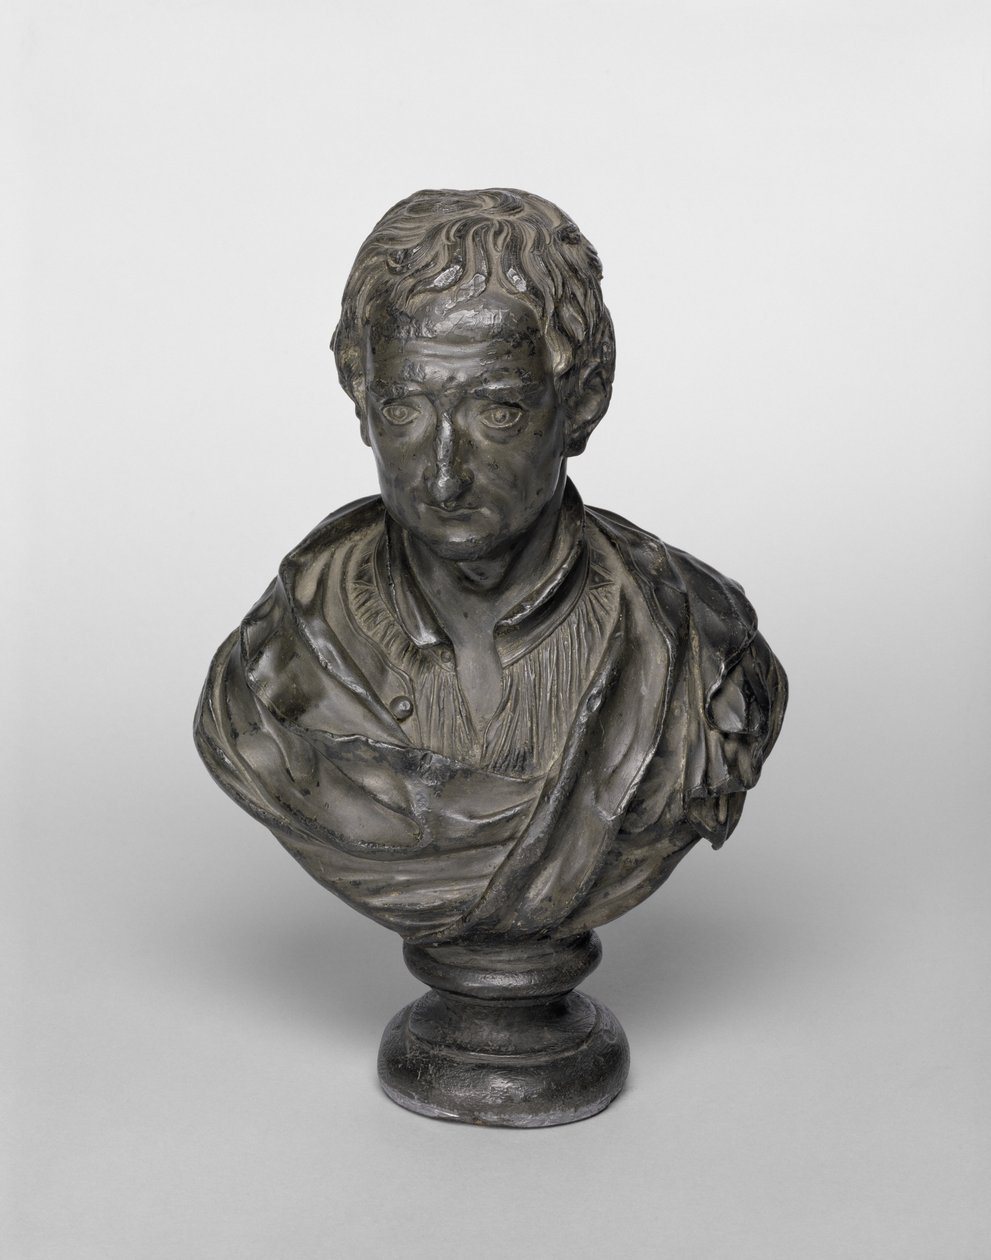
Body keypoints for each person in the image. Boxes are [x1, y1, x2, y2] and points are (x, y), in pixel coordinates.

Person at [195, 188, 787, 945]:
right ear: (360, 399)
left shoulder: (699, 652)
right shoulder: (274, 665)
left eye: (497, 410)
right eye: (404, 409)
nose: (444, 475)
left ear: (583, 402)